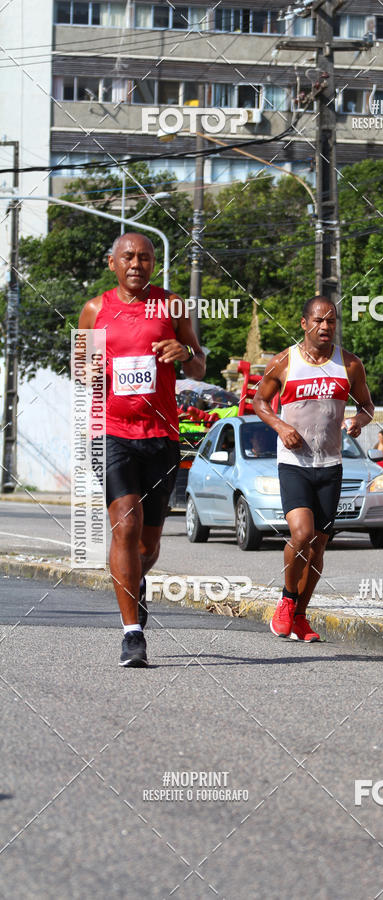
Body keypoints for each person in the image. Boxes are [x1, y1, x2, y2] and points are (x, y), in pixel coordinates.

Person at [78, 232, 205, 667]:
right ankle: (132, 634)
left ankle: (135, 582)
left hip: (162, 435)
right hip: (110, 432)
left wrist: (183, 349)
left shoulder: (171, 305)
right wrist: (93, 371)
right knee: (125, 525)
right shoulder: (95, 310)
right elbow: (81, 374)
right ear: (111, 262)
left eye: (145, 258)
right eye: (128, 256)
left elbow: (200, 362)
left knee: (148, 545)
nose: (137, 263)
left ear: (154, 264)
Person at [253, 296, 374, 642]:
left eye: (332, 321)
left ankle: (301, 617)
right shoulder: (284, 362)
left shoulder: (349, 365)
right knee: (302, 535)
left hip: (330, 464)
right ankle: (287, 600)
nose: (326, 327)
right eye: (319, 321)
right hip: (294, 463)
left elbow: (367, 405)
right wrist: (280, 426)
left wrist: (358, 422)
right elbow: (259, 401)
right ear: (304, 324)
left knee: (319, 546)